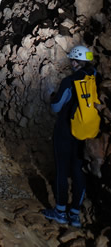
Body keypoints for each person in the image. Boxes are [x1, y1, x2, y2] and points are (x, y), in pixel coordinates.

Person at [43, 45, 99, 228]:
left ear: (75, 62)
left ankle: (60, 211)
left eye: (72, 60)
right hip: (84, 132)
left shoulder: (69, 81)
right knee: (78, 171)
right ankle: (74, 214)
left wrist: (52, 97)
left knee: (62, 170)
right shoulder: (93, 76)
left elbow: (56, 107)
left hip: (65, 131)